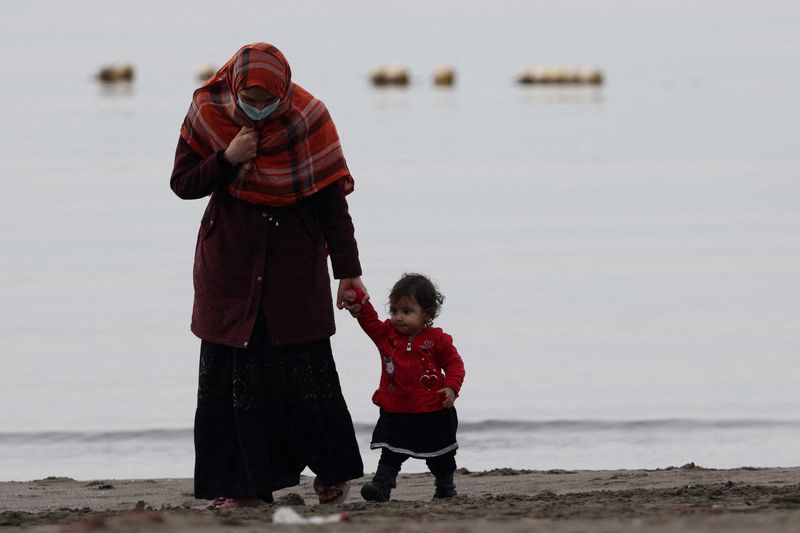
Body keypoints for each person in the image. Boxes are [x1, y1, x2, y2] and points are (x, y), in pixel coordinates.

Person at [170, 42, 367, 508]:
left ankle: (330, 474)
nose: (258, 111)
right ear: (234, 90)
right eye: (250, 101)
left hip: (294, 267)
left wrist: (349, 273)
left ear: (283, 91)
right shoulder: (207, 112)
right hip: (230, 269)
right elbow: (183, 184)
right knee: (234, 377)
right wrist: (227, 158)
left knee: (305, 372)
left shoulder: (309, 119)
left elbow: (333, 206)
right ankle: (244, 489)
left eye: (267, 101)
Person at [344, 273, 465, 501]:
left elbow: (455, 364)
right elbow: (369, 320)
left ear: (426, 313)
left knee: (441, 457)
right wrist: (358, 299)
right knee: (390, 452)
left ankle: (446, 489)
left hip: (433, 410)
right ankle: (381, 487)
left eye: (406, 312)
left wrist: (451, 387)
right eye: (394, 310)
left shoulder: (438, 340)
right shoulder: (386, 335)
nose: (398, 317)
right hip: (396, 409)